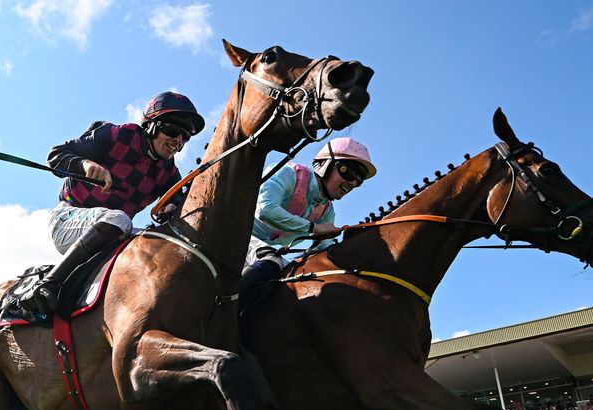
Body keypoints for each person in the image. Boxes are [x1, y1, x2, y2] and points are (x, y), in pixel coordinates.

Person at [20, 91, 205, 316]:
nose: (178, 140)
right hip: (67, 218)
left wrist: (173, 207)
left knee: (160, 244)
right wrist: (85, 165)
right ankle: (48, 285)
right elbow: (57, 154)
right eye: (172, 130)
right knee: (118, 217)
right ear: (151, 126)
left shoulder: (168, 172)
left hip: (113, 234)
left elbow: (181, 201)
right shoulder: (117, 135)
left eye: (185, 137)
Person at [238, 137, 377, 308]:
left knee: (293, 277)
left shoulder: (327, 211)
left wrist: (347, 245)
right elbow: (265, 209)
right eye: (348, 171)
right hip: (235, 232)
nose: (353, 182)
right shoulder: (288, 173)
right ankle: (222, 315)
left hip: (262, 252)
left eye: (359, 179)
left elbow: (322, 250)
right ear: (324, 165)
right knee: (272, 261)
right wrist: (312, 228)